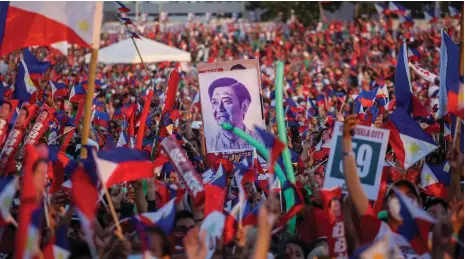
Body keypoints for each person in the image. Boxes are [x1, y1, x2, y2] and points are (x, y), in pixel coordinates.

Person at [208, 77, 261, 151]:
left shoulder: (259, 142)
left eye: (226, 101)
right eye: (214, 103)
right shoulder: (211, 145)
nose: (219, 109)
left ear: (244, 106)